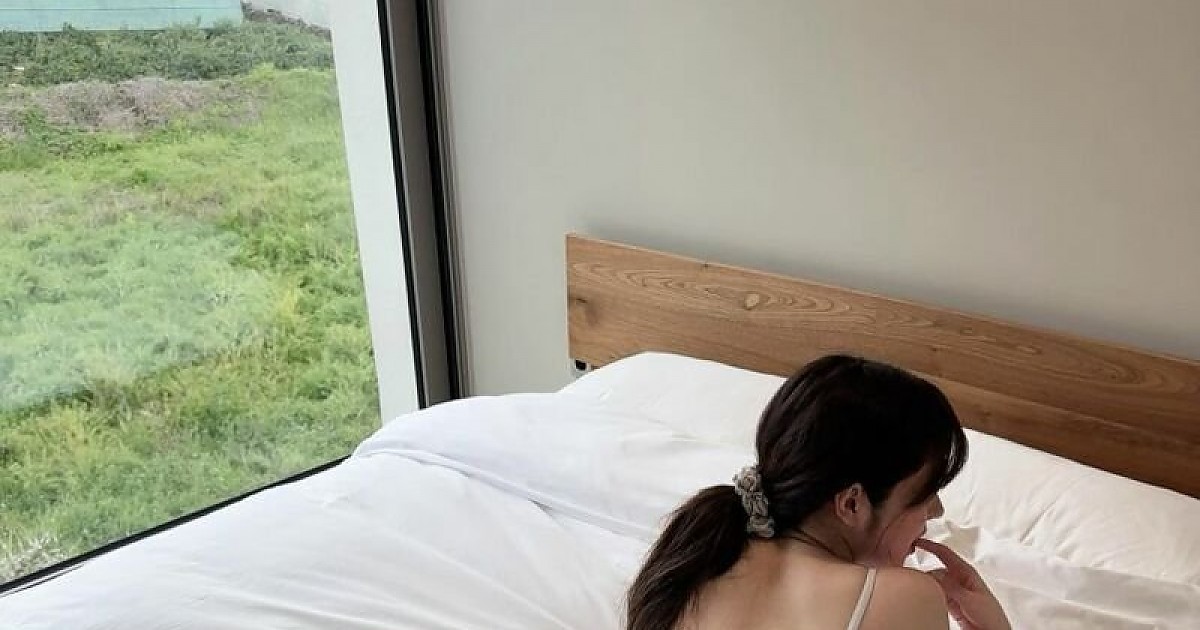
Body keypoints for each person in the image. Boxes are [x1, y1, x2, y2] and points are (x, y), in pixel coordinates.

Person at [625, 355, 1011, 630]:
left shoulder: (692, 557)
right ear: (851, 503)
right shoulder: (903, 597)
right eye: (925, 493)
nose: (937, 510)